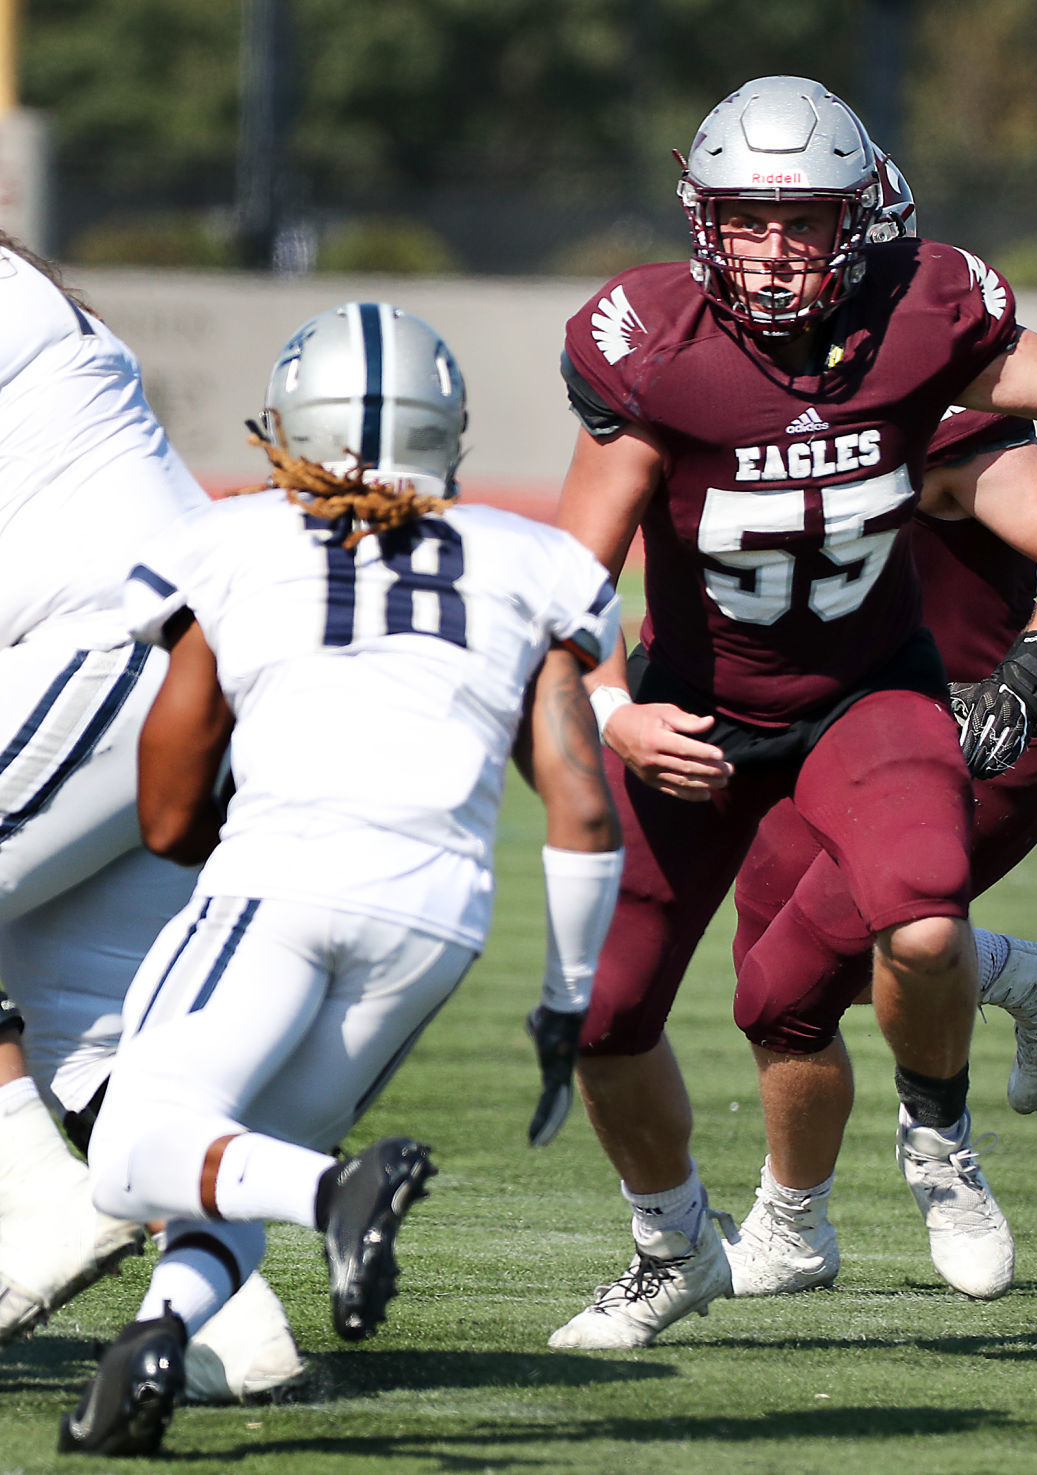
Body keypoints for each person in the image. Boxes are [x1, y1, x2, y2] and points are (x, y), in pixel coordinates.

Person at [549, 74, 1037, 1351]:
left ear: (858, 221)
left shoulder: (919, 321)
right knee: (606, 1016)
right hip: (695, 713)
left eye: (801, 221)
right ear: (702, 216)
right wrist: (608, 705)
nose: (770, 249)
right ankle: (672, 1245)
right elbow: (566, 574)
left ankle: (937, 1129)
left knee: (918, 927)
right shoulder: (653, 344)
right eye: (746, 219)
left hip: (871, 694)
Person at [61, 302, 624, 1458]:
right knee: (233, 1155)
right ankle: (155, 1343)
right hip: (432, 917)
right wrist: (565, 997)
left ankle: (336, 1195)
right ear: (447, 430)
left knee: (133, 1154)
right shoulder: (529, 560)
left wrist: (210, 852)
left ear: (292, 424)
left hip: (277, 880)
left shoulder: (234, 539)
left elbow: (167, 801)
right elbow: (580, 802)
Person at [722, 161, 1037, 1295]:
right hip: (822, 738)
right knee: (770, 981)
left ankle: (922, 1157)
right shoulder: (744, 381)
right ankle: (796, 1223)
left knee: (791, 982)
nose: (783, 270)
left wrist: (1023, 681)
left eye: (810, 238)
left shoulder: (941, 405)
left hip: (960, 733)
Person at [0, 231, 305, 1402]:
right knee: (90, 1041)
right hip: (160, 663)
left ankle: (36, 1205)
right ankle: (234, 1323)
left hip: (106, 654)